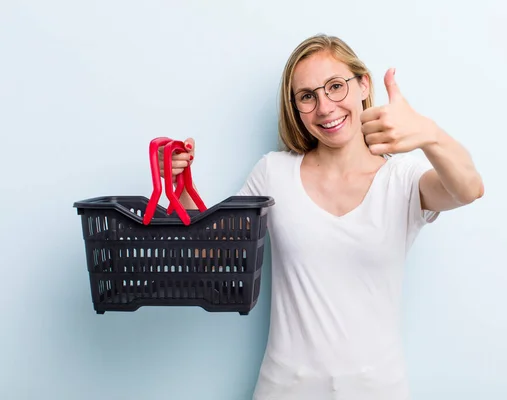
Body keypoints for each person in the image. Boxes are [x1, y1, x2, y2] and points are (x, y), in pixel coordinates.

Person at [160, 34, 483, 400]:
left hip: (377, 389)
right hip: (284, 388)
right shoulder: (273, 173)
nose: (325, 107)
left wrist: (430, 135)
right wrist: (178, 187)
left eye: (335, 87)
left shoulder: (403, 179)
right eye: (307, 96)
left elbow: (468, 188)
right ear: (296, 108)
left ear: (363, 84)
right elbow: (212, 254)